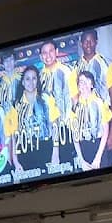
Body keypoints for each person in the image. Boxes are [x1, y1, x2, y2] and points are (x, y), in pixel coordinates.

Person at [74, 29, 112, 167]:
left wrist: (111, 134)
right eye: (85, 41)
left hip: (103, 130)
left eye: (91, 40)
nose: (88, 44)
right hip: (84, 135)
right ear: (81, 44)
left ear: (96, 42)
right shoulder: (75, 67)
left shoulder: (106, 64)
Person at [6, 65, 59, 179]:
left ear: (37, 80)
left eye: (34, 78)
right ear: (23, 82)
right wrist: (15, 161)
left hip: (46, 148)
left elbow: (55, 126)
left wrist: (55, 153)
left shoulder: (46, 98)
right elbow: (14, 136)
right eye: (27, 79)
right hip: (25, 152)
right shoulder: (16, 105)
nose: (31, 82)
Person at [39, 40, 76, 169]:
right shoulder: (38, 77)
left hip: (65, 128)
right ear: (40, 56)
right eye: (44, 53)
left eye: (50, 51)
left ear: (57, 52)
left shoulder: (66, 71)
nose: (48, 55)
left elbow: (75, 98)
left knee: (67, 166)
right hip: (48, 132)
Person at [71, 69, 111, 172]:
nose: (83, 85)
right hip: (83, 147)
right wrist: (81, 160)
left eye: (86, 82)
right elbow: (74, 134)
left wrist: (98, 158)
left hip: (98, 147)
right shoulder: (75, 106)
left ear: (92, 85)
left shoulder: (100, 103)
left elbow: (105, 131)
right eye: (81, 82)